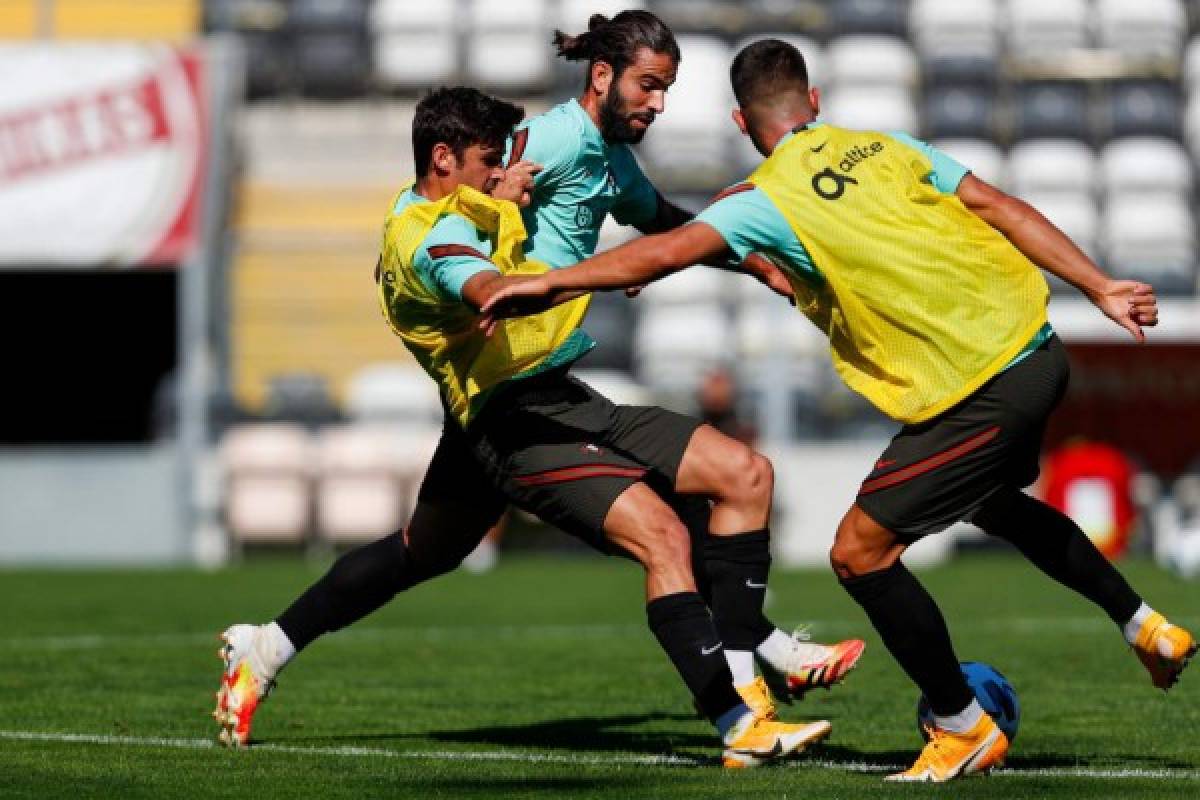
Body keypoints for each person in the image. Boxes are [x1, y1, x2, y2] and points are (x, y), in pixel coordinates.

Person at [479, 38, 1196, 783]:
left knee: (860, 553)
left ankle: (960, 724)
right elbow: (1000, 205)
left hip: (976, 387)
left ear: (739, 121)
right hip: (1036, 349)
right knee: (988, 500)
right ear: (814, 102)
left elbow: (661, 252)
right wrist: (1100, 285)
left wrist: (544, 283)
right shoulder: (884, 145)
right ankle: (1145, 625)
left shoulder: (765, 198)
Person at [214, 83, 839, 769]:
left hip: (540, 398)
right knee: (663, 535)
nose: (505, 166)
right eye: (490, 158)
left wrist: (500, 200)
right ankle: (738, 717)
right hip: (512, 420)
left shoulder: (441, 202)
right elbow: (484, 286)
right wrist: (593, 264)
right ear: (444, 157)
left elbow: (527, 220)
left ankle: (268, 645)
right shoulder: (434, 237)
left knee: (424, 551)